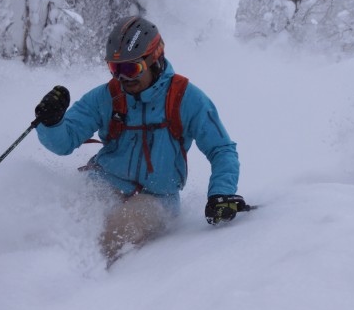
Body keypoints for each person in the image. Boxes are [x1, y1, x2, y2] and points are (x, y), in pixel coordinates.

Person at [34, 16, 246, 265]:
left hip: (156, 198)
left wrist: (221, 193)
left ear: (154, 59)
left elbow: (222, 149)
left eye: (131, 69)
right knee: (54, 221)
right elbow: (64, 142)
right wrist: (51, 122)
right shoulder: (107, 96)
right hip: (102, 182)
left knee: (116, 231)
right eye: (115, 69)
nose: (123, 77)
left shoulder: (185, 98)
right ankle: (38, 275)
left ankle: (85, 286)